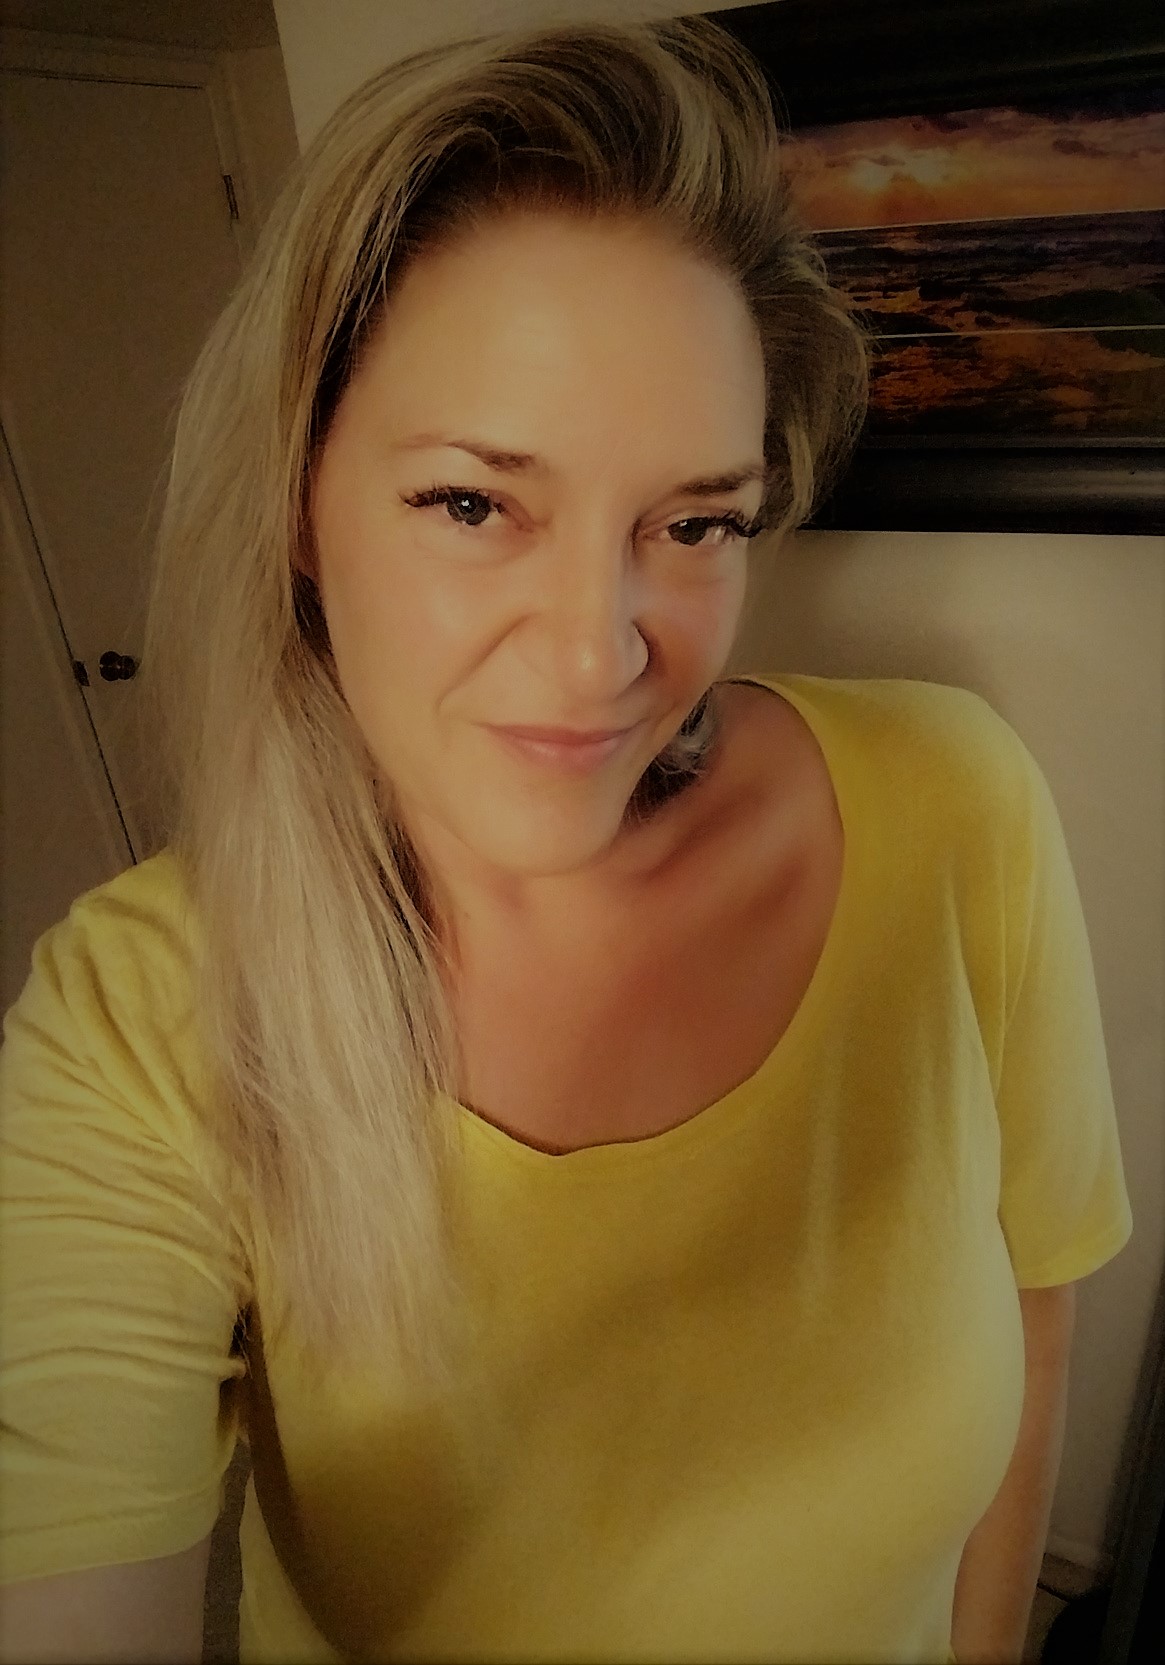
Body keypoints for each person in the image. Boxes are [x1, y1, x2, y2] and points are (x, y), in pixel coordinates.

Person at [0, 15, 1133, 1665]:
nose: (601, 652)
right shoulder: (142, 1027)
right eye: (475, 503)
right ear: (298, 505)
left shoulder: (950, 800)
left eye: (692, 521)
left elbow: (1035, 1312)